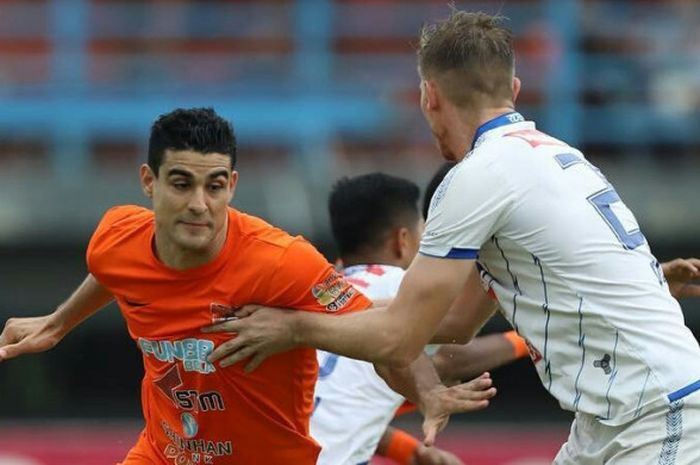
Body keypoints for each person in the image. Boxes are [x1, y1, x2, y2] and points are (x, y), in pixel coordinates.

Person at [205, 11, 700, 464]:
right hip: (618, 418)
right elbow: (457, 321)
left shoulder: (478, 176)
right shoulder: (556, 156)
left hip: (657, 414)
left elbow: (400, 336)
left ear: (429, 96)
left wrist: (293, 328)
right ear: (515, 87)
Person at [0, 108, 494, 465]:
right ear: (148, 181)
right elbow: (111, 271)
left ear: (232, 185)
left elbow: (384, 338)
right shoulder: (115, 236)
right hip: (162, 453)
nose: (199, 204)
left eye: (214, 186)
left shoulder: (282, 261)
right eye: (181, 184)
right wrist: (58, 323)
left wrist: (427, 394)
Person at [312, 171, 530, 465]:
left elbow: (333, 404)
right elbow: (452, 351)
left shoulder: (323, 291)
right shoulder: (399, 286)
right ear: (402, 241)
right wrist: (528, 337)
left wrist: (405, 449)